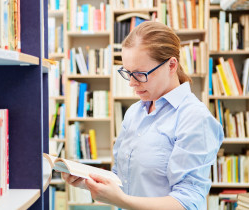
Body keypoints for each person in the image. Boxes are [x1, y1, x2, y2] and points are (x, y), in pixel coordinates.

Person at [62, 21, 223, 210]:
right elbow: (122, 178)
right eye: (127, 72)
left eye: (139, 74)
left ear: (171, 65)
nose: (131, 83)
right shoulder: (134, 112)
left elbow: (187, 202)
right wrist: (87, 180)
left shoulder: (195, 118)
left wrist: (120, 201)